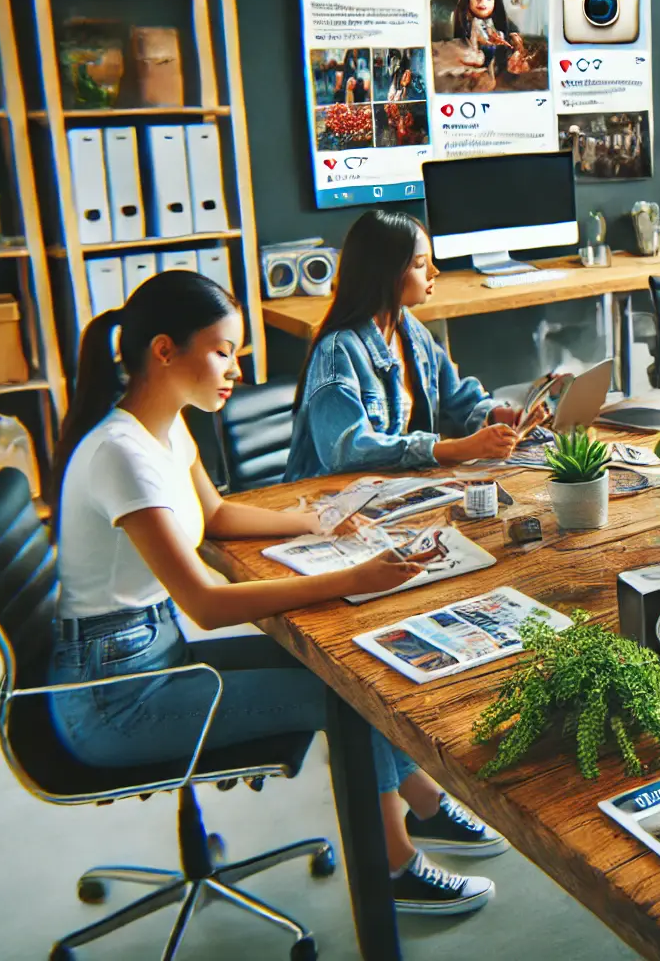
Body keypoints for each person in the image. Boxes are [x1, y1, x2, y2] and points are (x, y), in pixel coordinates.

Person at [50, 272, 507, 914]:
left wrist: (318, 521)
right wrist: (354, 578)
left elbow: (216, 516)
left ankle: (424, 807)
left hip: (147, 652)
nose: (236, 369)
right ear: (163, 351)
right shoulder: (121, 454)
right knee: (350, 698)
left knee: (349, 670)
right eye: (222, 351)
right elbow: (205, 606)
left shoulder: (163, 426)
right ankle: (395, 868)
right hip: (111, 699)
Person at [286, 210, 548, 480]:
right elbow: (347, 451)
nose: (434, 272)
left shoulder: (413, 332)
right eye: (422, 264)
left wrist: (498, 414)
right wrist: (455, 449)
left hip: (393, 489)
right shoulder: (337, 352)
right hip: (325, 503)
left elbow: (455, 398)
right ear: (386, 272)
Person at [449, 0, 526, 74]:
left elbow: (510, 29)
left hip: (497, 64)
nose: (483, 2)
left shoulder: (499, 18)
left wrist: (514, 37)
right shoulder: (464, 18)